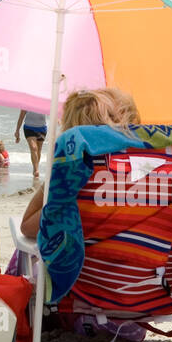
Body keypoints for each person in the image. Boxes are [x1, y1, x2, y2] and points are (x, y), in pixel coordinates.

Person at [20, 87, 140, 237]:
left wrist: (53, 174)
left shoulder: (76, 176)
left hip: (88, 258)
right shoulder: (151, 170)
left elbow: (27, 227)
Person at [15, 108, 48, 178]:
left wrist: (58, 118)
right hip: (29, 128)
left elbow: (52, 110)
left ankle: (36, 167)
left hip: (42, 128)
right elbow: (21, 117)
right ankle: (36, 170)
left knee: (38, 150)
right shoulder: (26, 102)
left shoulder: (43, 101)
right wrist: (17, 130)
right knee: (34, 148)